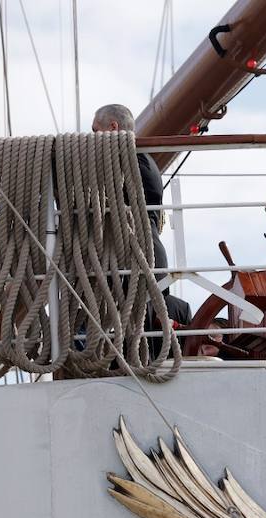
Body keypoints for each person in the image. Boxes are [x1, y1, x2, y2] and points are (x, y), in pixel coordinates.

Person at [91, 103, 192, 340]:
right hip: (136, 259)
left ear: (113, 127)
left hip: (141, 258)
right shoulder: (136, 159)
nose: (92, 139)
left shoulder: (133, 163)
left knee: (138, 339)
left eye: (96, 132)